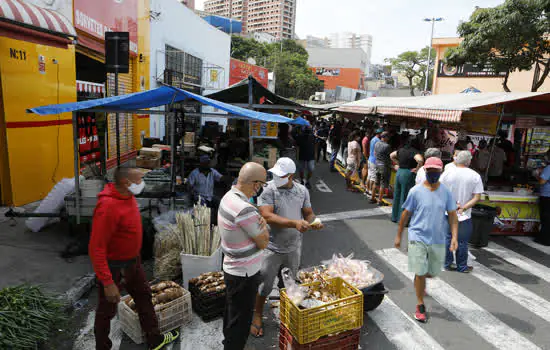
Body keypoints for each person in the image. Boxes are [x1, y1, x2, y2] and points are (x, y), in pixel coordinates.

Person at [89, 167, 179, 350]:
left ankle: (155, 340)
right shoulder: (107, 207)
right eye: (139, 180)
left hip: (132, 263)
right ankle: (102, 347)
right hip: (115, 268)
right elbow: (96, 248)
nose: (142, 183)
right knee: (107, 310)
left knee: (144, 297)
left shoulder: (127, 196)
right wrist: (107, 282)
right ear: (125, 182)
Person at [251, 158, 323, 337]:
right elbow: (266, 215)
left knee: (290, 284)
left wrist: (313, 221)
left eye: (280, 175)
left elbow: (308, 213)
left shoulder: (301, 191)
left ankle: (288, 314)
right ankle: (257, 314)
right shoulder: (268, 190)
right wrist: (294, 223)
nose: (275, 177)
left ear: (290, 176)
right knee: (264, 286)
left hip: (293, 247)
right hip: (271, 247)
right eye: (274, 174)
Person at [394, 157, 459, 323]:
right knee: (421, 271)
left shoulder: (446, 192)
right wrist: (399, 235)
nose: (432, 174)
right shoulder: (415, 191)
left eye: (435, 172)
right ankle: (420, 305)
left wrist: (454, 238)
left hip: (437, 238)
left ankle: (419, 279)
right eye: (429, 171)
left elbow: (452, 215)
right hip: (417, 235)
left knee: (432, 272)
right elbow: (405, 214)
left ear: (441, 172)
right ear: (425, 171)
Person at [218, 162, 270, 350]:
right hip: (245, 274)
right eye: (261, 185)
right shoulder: (245, 209)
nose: (260, 189)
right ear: (255, 184)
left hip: (232, 268)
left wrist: (261, 221)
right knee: (241, 324)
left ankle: (228, 343)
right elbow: (264, 241)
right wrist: (263, 224)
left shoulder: (228, 197)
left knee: (232, 314)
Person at [441, 151, 484, 272]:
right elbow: (477, 197)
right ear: (469, 161)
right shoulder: (475, 175)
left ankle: (447, 264)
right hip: (464, 214)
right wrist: (464, 207)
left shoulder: (447, 173)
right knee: (462, 241)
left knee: (447, 238)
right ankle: (462, 266)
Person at [390, 139, 423, 222]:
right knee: (406, 196)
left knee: (397, 195)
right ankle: (403, 220)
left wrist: (398, 163)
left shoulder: (401, 150)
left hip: (399, 172)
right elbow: (420, 160)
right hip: (408, 173)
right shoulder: (414, 152)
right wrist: (417, 168)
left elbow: (391, 155)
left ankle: (394, 217)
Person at [188, 154, 226, 224]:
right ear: (201, 164)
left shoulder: (212, 171)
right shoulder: (194, 173)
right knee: (203, 207)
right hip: (200, 197)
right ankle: (203, 223)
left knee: (221, 203)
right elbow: (189, 186)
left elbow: (221, 178)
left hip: (210, 196)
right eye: (205, 163)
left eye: (208, 163)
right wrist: (192, 194)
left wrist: (229, 178)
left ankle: (218, 222)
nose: (207, 165)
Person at [534, 150, 550, 246]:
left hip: (547, 196)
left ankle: (545, 239)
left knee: (546, 218)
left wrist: (538, 176)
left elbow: (542, 182)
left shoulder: (548, 168)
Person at [372, 132, 392, 204]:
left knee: (376, 182)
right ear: (385, 137)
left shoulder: (376, 143)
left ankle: (372, 197)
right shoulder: (387, 146)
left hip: (377, 163)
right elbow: (389, 157)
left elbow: (374, 153)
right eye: (388, 137)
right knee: (382, 183)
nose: (388, 138)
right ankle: (380, 201)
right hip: (383, 165)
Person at [367, 129, 382, 197]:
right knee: (373, 177)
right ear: (379, 133)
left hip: (370, 159)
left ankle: (367, 189)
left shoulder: (372, 139)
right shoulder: (378, 141)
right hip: (374, 160)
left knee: (369, 175)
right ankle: (370, 190)